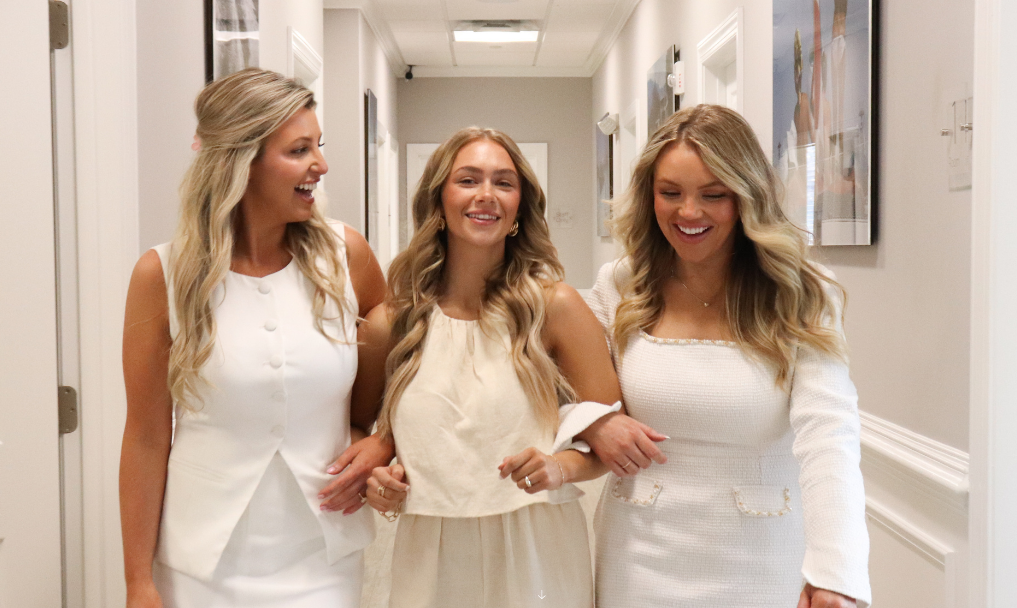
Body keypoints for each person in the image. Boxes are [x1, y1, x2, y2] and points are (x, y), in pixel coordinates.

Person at [119, 68, 393, 608]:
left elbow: (402, 375)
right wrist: (137, 582)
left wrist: (382, 442)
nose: (321, 165)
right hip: (201, 563)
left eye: (318, 146)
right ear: (240, 162)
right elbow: (146, 437)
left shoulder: (347, 257)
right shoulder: (162, 276)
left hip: (323, 554)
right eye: (299, 150)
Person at [361, 127, 665, 608]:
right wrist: (376, 482)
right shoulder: (393, 322)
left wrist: (558, 467)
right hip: (430, 553)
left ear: (519, 209)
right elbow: (362, 438)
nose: (486, 194)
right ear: (438, 202)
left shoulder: (557, 309)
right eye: (468, 180)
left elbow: (608, 440)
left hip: (537, 551)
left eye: (503, 183)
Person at [587, 104, 871, 608]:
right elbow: (564, 377)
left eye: (713, 195)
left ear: (746, 197)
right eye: (670, 193)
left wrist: (837, 572)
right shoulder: (622, 283)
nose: (688, 212)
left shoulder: (801, 291)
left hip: (761, 558)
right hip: (639, 553)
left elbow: (829, 432)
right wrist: (594, 422)